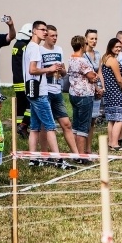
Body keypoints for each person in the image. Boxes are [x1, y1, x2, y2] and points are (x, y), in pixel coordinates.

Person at [23, 21, 66, 168]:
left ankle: (33, 159)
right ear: (34, 31)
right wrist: (50, 69)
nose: (45, 32)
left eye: (46, 30)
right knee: (50, 126)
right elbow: (32, 70)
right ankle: (58, 160)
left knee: (35, 127)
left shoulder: (29, 47)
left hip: (32, 90)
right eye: (42, 30)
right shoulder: (35, 47)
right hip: (39, 92)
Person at [41, 25, 77, 156]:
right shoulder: (39, 50)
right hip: (45, 91)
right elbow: (35, 71)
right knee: (45, 125)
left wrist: (61, 70)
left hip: (57, 90)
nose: (55, 38)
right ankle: (45, 155)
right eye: (52, 36)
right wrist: (50, 70)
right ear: (46, 36)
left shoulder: (59, 49)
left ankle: (76, 154)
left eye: (56, 35)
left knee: (66, 123)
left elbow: (64, 72)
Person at [68, 35, 98, 161]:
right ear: (81, 46)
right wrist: (95, 76)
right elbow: (92, 76)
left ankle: (75, 153)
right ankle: (81, 155)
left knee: (76, 124)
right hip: (85, 95)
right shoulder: (82, 61)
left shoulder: (71, 58)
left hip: (73, 93)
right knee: (83, 126)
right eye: (85, 43)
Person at [102, 37, 122, 151]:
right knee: (119, 118)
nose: (118, 49)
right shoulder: (113, 60)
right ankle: (115, 143)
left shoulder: (105, 58)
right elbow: (119, 79)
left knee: (111, 119)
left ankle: (110, 143)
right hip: (116, 92)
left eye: (119, 47)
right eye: (116, 47)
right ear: (111, 47)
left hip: (109, 92)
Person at [11, 23, 32, 139]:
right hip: (25, 80)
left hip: (17, 80)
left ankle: (19, 126)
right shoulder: (25, 46)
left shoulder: (16, 45)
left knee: (20, 105)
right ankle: (24, 124)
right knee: (31, 104)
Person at [84, 29, 104, 137]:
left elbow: (100, 72)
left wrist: (102, 87)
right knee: (86, 119)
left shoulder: (97, 54)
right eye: (91, 38)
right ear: (86, 39)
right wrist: (96, 88)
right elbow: (87, 75)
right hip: (87, 87)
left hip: (97, 88)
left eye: (96, 38)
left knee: (93, 119)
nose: (94, 41)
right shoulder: (83, 54)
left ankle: (89, 145)